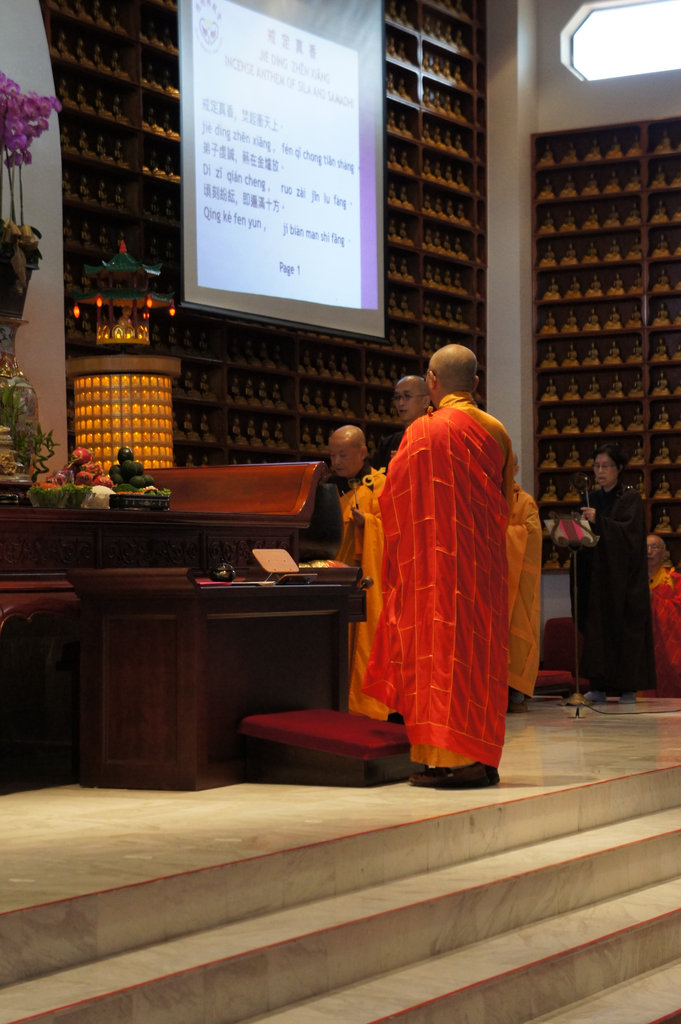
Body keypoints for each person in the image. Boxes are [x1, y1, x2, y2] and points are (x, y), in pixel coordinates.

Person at [362, 344, 514, 788]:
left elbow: (392, 499)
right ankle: (481, 756)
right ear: (476, 383)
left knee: (438, 660)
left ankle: (453, 762)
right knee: (478, 659)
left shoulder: (421, 433)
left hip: (434, 568)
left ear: (432, 382)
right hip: (481, 568)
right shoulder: (495, 430)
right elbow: (504, 499)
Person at [576, 443, 656, 703]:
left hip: (624, 582)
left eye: (606, 466)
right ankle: (598, 686)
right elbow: (587, 539)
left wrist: (599, 521)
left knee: (625, 632)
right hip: (598, 580)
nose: (600, 471)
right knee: (597, 632)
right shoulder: (591, 499)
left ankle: (627, 687)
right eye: (596, 466)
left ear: (619, 468)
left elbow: (630, 535)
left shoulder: (629, 498)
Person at [327, 425, 390, 720]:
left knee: (367, 640)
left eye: (343, 455)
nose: (336, 462)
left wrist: (369, 525)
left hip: (370, 577)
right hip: (334, 579)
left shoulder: (381, 484)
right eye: (332, 455)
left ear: (363, 452)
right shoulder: (327, 487)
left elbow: (398, 530)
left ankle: (366, 705)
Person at [506, 455, 542, 712]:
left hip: (517, 579)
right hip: (492, 581)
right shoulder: (483, 496)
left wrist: (501, 532)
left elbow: (532, 535)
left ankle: (516, 691)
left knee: (518, 633)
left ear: (516, 469)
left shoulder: (525, 501)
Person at [644, 535, 681, 697]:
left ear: (664, 553)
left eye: (654, 547)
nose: (649, 551)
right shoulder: (629, 580)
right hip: (639, 641)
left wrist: (654, 600)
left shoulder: (675, 580)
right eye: (645, 547)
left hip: (666, 646)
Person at [371, 375, 430, 471]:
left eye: (407, 396)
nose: (400, 403)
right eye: (397, 397)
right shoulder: (388, 444)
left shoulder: (435, 438)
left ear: (425, 401)